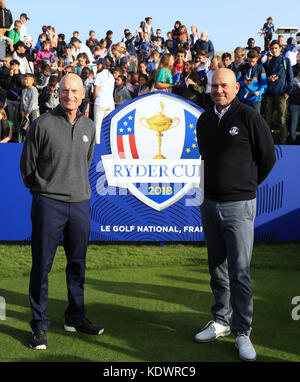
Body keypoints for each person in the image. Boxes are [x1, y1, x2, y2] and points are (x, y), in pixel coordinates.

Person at [195, 68, 276, 362]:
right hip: (210, 204)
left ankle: (243, 331)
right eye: (214, 86)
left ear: (236, 87)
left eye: (224, 86)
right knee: (217, 266)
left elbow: (267, 157)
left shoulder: (249, 117)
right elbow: (206, 156)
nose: (219, 90)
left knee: (239, 271)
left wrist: (244, 185)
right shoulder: (204, 119)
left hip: (239, 205)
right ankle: (221, 321)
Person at [20, 73, 102, 351]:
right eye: (65, 90)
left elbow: (86, 159)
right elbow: (27, 167)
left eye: (75, 91)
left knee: (77, 264)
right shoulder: (42, 124)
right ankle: (39, 326)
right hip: (48, 203)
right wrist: (44, 190)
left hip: (79, 204)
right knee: (42, 265)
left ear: (83, 94)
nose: (70, 95)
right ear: (58, 92)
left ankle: (75, 318)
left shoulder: (89, 125)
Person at [264, 40, 294, 144]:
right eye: (272, 48)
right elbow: (263, 77)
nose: (274, 50)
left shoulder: (286, 61)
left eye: (276, 48)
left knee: (282, 121)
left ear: (280, 48)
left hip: (282, 96)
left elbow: (291, 79)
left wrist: (288, 92)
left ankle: (282, 144)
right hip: (269, 96)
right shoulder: (268, 62)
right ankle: (269, 143)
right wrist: (269, 78)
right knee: (267, 121)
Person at [237, 49, 267, 113]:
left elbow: (264, 85)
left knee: (255, 120)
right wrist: (244, 83)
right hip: (243, 98)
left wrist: (259, 92)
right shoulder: (242, 67)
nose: (251, 63)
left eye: (253, 61)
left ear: (257, 59)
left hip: (255, 99)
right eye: (249, 61)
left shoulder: (260, 68)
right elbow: (237, 83)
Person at [93, 57, 115, 144]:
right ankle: (108, 144)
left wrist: (95, 100)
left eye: (98, 64)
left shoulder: (99, 75)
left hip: (100, 102)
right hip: (110, 103)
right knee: (107, 126)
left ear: (103, 65)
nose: (97, 66)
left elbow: (95, 91)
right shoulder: (112, 76)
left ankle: (97, 146)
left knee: (97, 126)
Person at [289, 67, 300, 143]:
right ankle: (293, 139)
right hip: (295, 104)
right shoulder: (293, 80)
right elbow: (292, 92)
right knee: (294, 122)